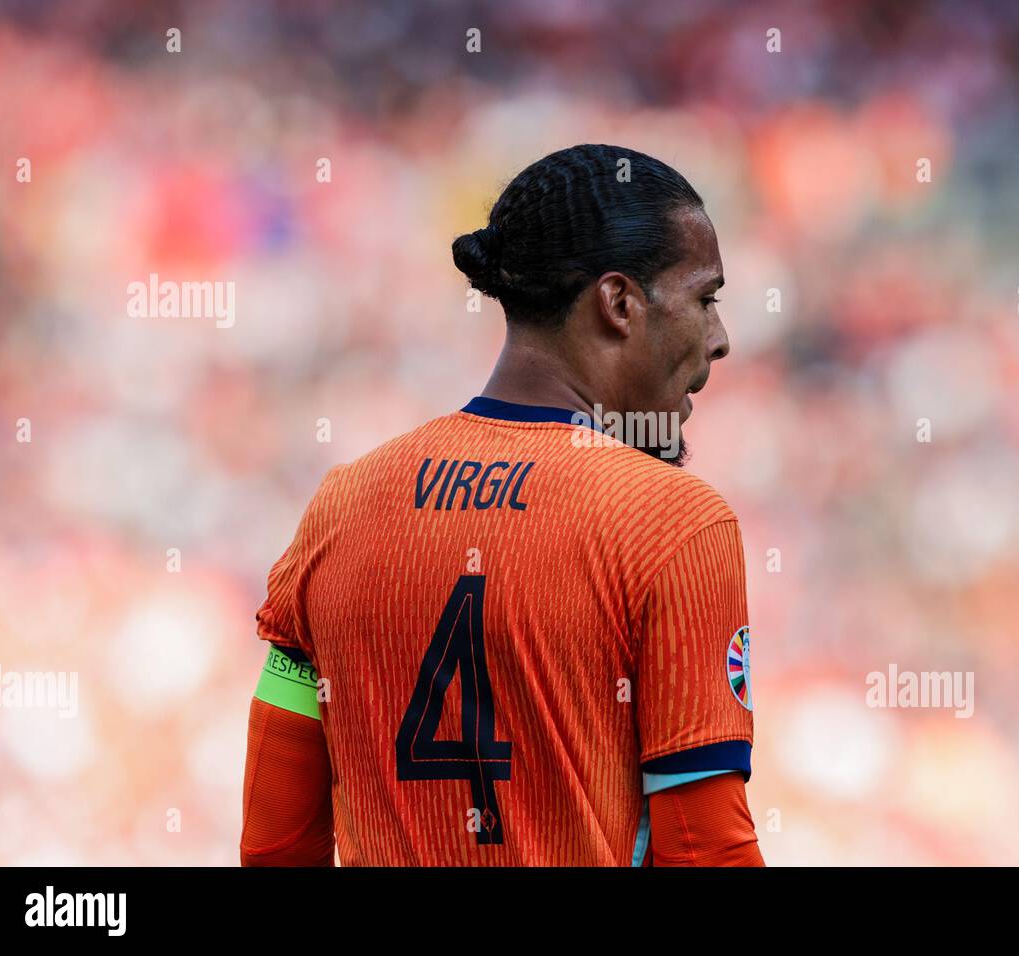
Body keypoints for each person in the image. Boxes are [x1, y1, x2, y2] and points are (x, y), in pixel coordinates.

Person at [241, 144, 763, 866]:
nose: (720, 338)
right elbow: (705, 852)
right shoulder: (672, 523)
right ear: (619, 304)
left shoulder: (341, 506)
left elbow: (274, 847)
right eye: (705, 298)